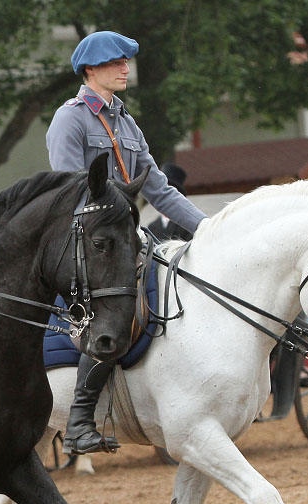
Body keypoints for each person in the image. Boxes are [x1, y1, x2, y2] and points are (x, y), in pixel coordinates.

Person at [45, 31, 208, 455]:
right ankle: (81, 420)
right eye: (116, 63)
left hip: (127, 238)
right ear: (90, 70)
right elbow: (69, 191)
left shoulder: (126, 122)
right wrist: (116, 228)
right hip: (90, 241)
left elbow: (161, 190)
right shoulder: (70, 118)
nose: (125, 69)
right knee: (116, 313)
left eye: (125, 62)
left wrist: (209, 228)